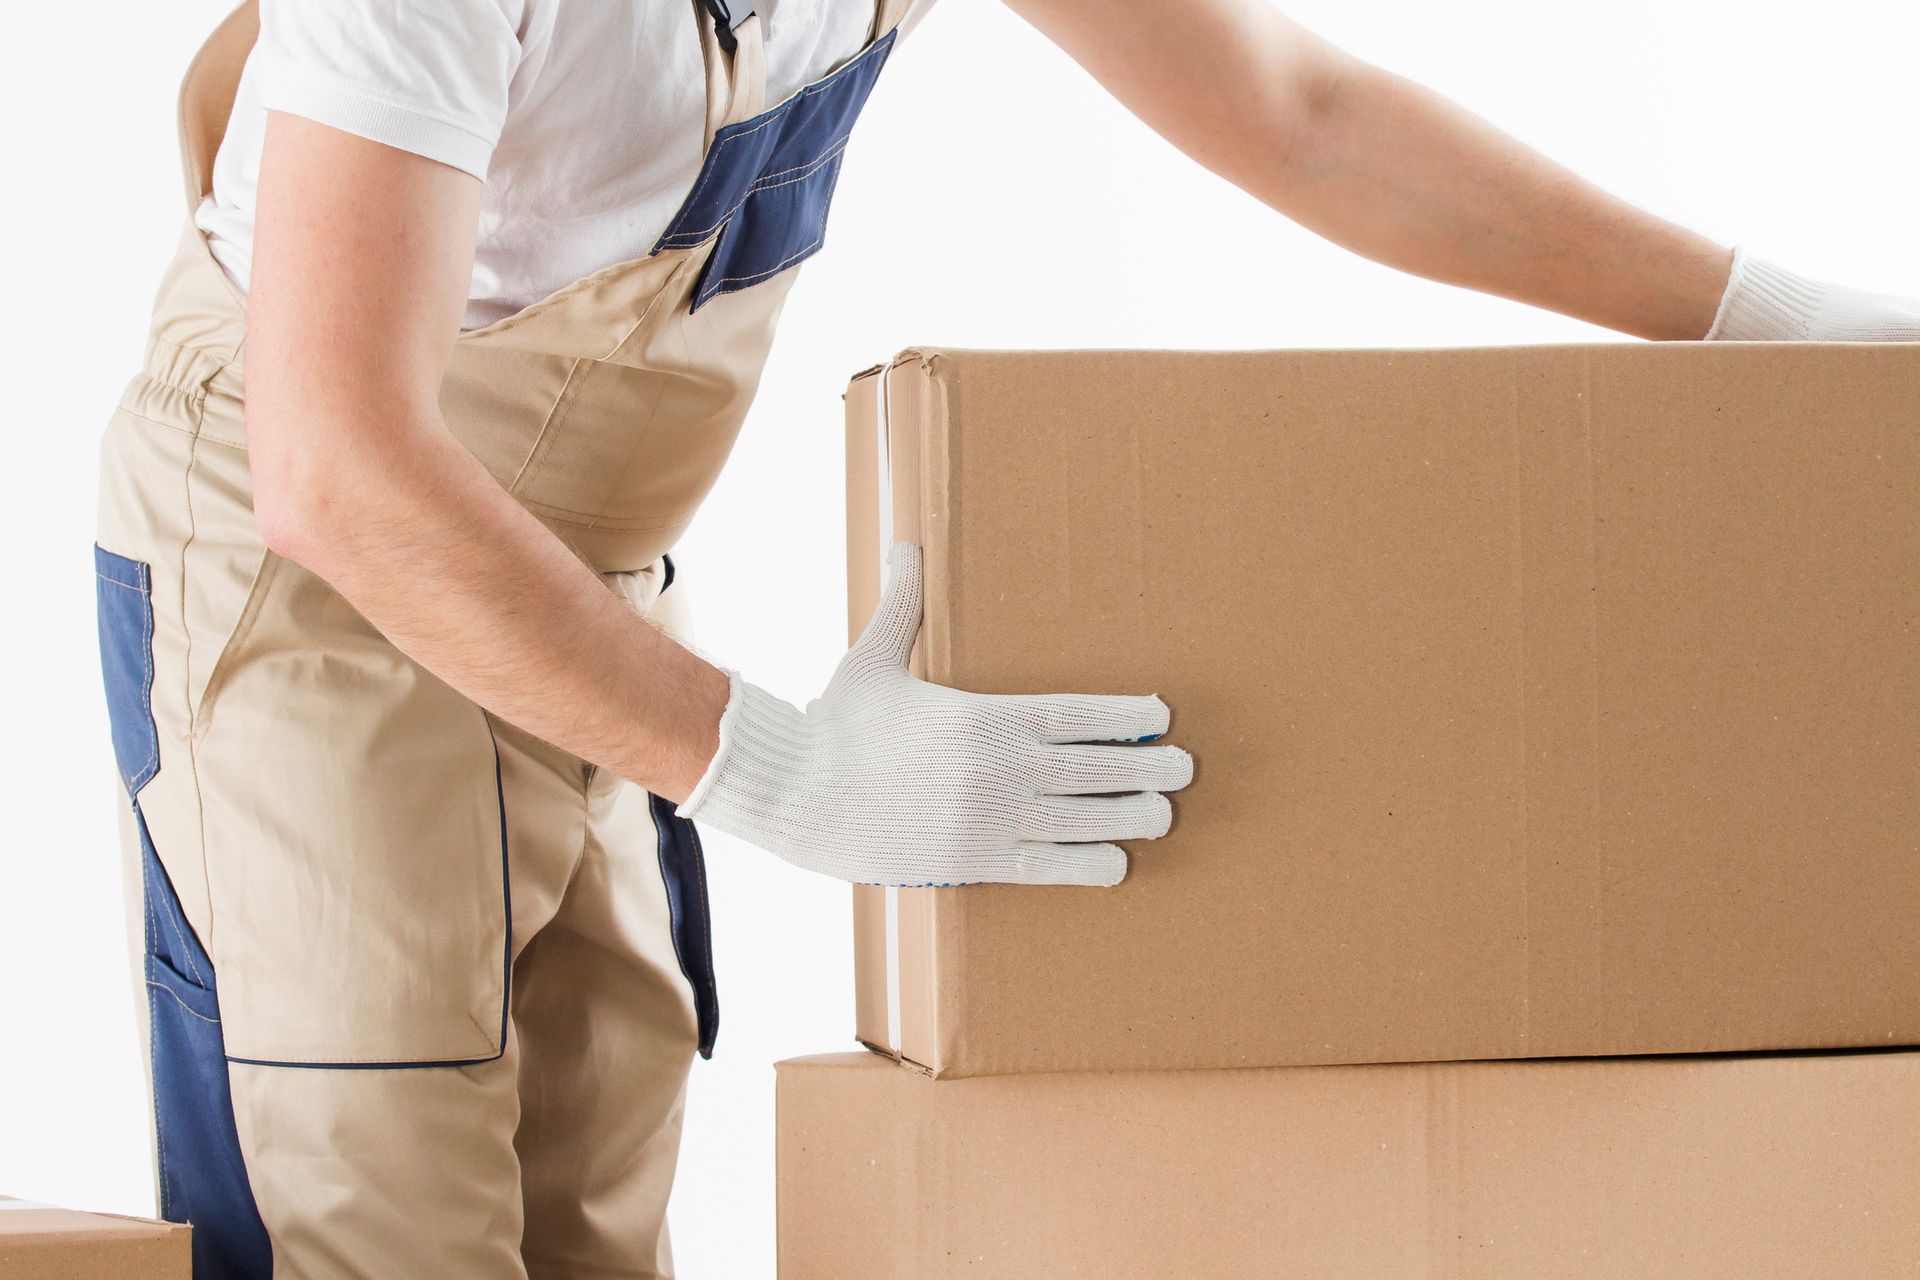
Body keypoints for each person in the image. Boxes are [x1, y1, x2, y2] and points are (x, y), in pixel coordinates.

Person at [91, 0, 1916, 1276]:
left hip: (575, 573)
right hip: (300, 574)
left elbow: (1305, 114)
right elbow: (333, 464)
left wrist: (1760, 318)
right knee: (377, 1209)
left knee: (592, 1196)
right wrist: (782, 770)